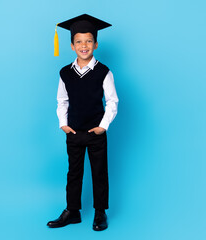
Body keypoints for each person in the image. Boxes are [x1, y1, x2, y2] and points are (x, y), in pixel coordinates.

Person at [47, 14, 119, 231]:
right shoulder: (65, 73)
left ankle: (99, 212)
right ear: (71, 46)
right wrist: (63, 124)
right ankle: (72, 211)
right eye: (79, 41)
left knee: (99, 172)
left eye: (88, 41)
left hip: (95, 132)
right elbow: (62, 100)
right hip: (74, 132)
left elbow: (113, 101)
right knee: (74, 172)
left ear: (95, 44)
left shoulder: (104, 72)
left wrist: (103, 126)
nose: (84, 45)